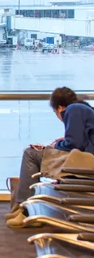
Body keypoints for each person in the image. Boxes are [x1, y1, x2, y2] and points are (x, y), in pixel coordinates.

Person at [6, 87, 94, 228]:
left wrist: (56, 144)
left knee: (30, 153)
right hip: (88, 159)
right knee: (35, 153)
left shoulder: (73, 109)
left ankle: (26, 210)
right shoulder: (85, 109)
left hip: (87, 162)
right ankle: (23, 207)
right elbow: (80, 141)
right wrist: (62, 142)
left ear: (59, 107)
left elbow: (74, 143)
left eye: (55, 112)